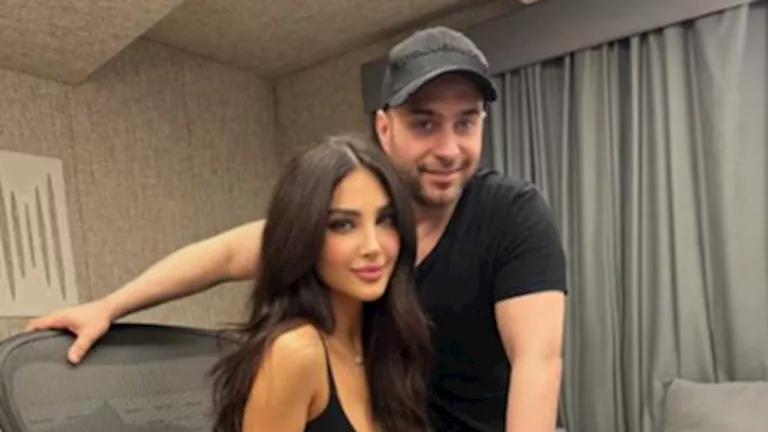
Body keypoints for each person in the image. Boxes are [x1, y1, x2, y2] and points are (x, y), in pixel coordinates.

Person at [27, 27, 567, 432]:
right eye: (424, 123)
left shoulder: (511, 215)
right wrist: (110, 305)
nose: (449, 149)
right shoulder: (302, 349)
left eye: (466, 122)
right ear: (385, 128)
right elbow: (224, 255)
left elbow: (538, 362)